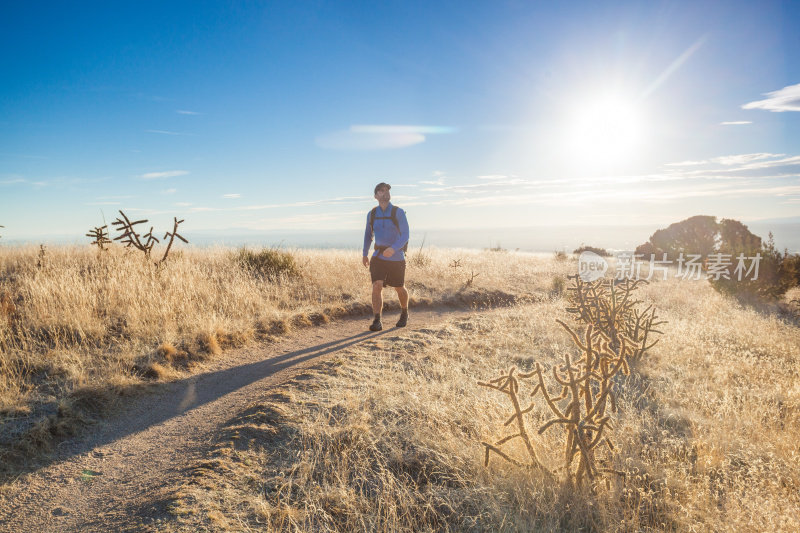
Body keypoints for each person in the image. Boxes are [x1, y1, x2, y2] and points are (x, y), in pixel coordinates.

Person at [362, 182, 410, 331]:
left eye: (387, 190)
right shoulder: (372, 214)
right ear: (376, 196)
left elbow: (405, 235)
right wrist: (365, 253)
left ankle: (404, 312)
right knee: (377, 286)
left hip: (396, 258)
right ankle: (377, 320)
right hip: (378, 257)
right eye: (381, 191)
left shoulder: (398, 212)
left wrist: (394, 248)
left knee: (399, 287)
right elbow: (368, 235)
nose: (385, 193)